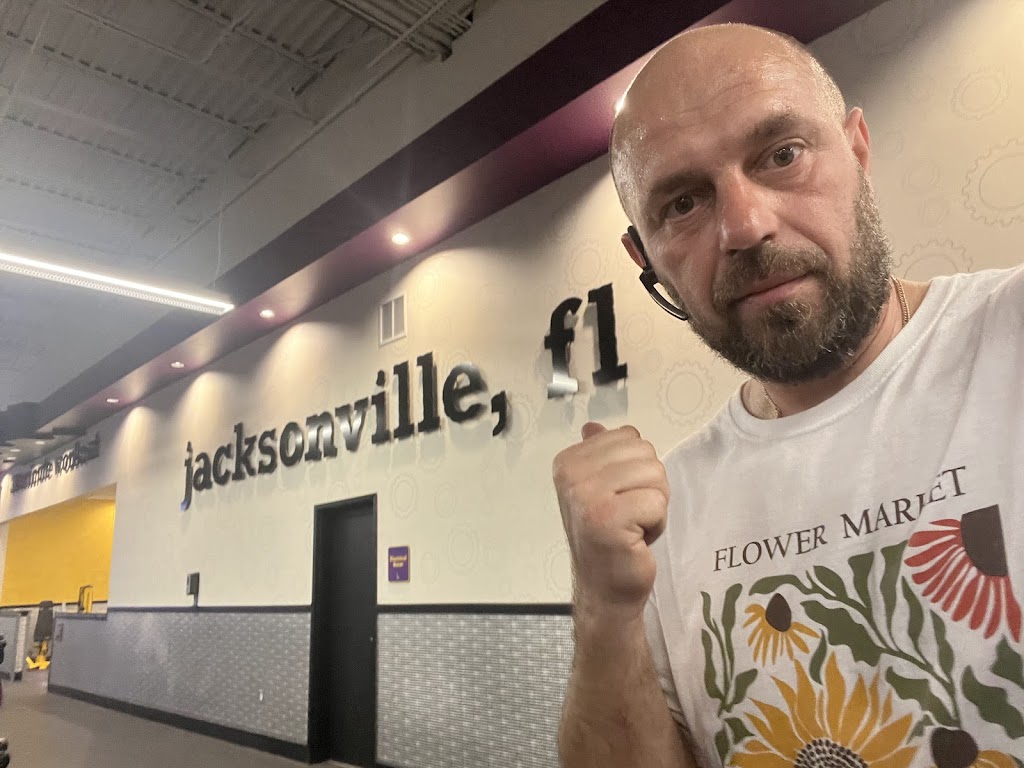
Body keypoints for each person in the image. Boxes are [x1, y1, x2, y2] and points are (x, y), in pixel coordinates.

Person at [552, 22, 1024, 768]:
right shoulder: (670, 511)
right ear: (646, 258)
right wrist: (603, 613)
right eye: (683, 202)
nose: (745, 226)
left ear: (858, 152)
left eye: (782, 154)